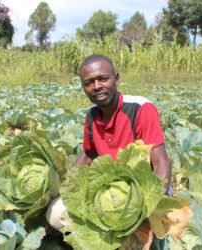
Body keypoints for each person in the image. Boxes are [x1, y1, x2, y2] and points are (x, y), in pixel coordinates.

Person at [46, 54, 172, 248]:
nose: (97, 86)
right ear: (84, 88)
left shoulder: (140, 108)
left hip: (147, 193)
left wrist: (148, 207)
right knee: (55, 213)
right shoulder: (92, 116)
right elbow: (88, 153)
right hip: (107, 192)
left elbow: (161, 163)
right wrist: (67, 187)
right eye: (89, 83)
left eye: (103, 79)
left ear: (116, 79)